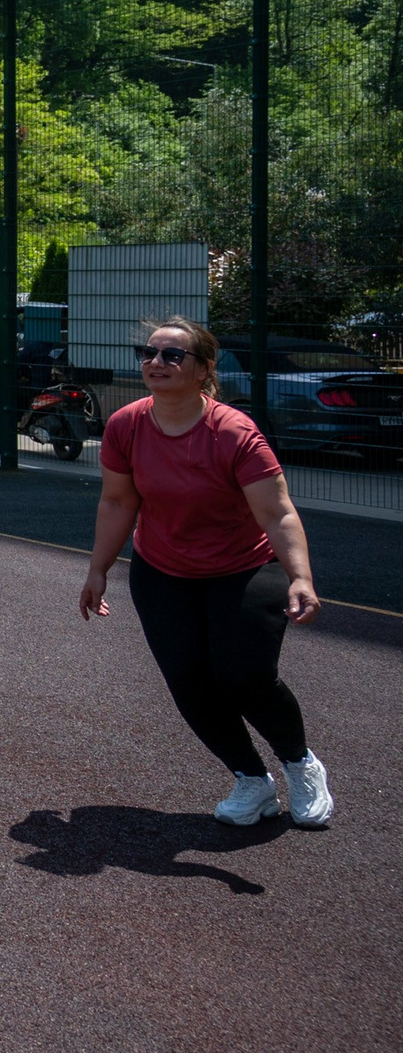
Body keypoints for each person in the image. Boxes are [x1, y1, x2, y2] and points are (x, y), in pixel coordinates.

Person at [81, 316, 334, 828]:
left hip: (242, 566)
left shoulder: (233, 432)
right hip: (163, 568)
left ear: (204, 370)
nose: (156, 362)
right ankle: (251, 779)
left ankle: (301, 765)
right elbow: (116, 502)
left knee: (243, 674)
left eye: (173, 355)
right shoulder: (126, 425)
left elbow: (277, 512)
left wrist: (301, 577)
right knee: (189, 680)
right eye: (149, 353)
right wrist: (98, 570)